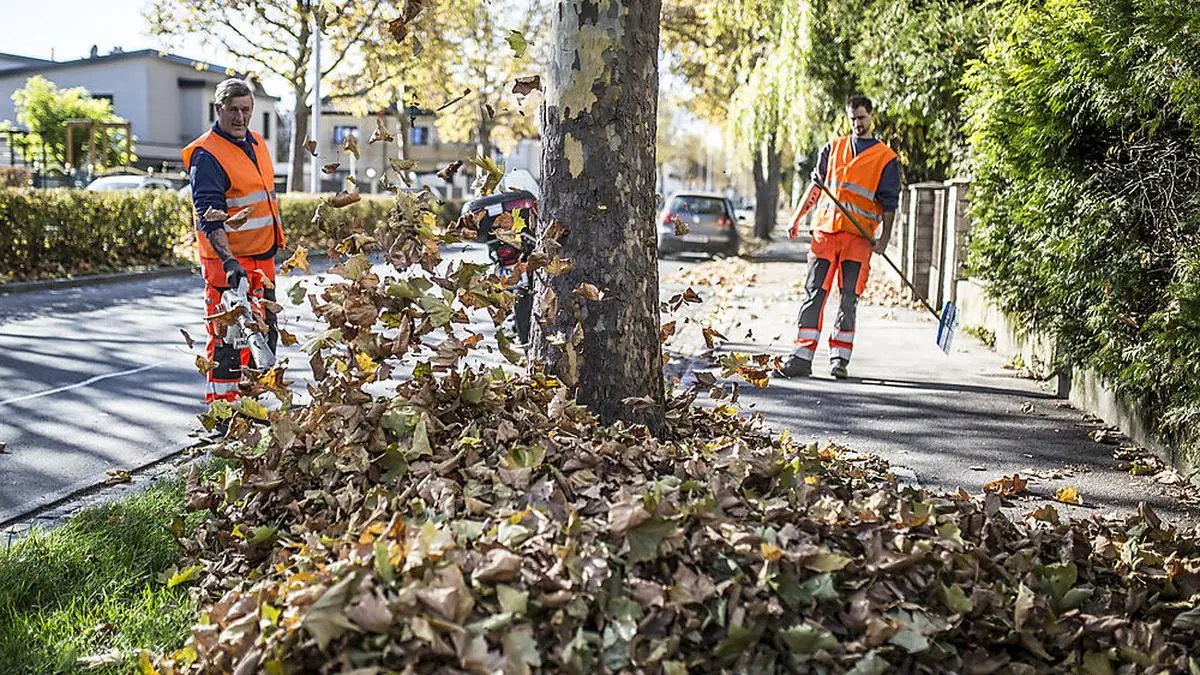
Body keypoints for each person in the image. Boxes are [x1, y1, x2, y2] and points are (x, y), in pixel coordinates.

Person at [780, 94, 901, 379]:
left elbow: (889, 205)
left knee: (848, 298)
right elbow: (816, 188)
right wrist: (796, 218)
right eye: (852, 118)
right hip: (825, 234)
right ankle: (801, 356)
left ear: (871, 117)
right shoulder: (832, 149)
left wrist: (883, 240)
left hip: (858, 241)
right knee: (815, 294)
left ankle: (839, 359)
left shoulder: (886, 159)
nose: (857, 123)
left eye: (862, 118)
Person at [182, 78, 286, 402]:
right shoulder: (207, 155)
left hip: (262, 261)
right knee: (229, 344)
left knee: (263, 338)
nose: (240, 117)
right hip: (227, 266)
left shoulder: (257, 142)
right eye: (233, 110)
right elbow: (208, 215)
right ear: (218, 110)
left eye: (246, 110)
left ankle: (250, 410)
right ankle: (224, 416)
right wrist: (229, 262)